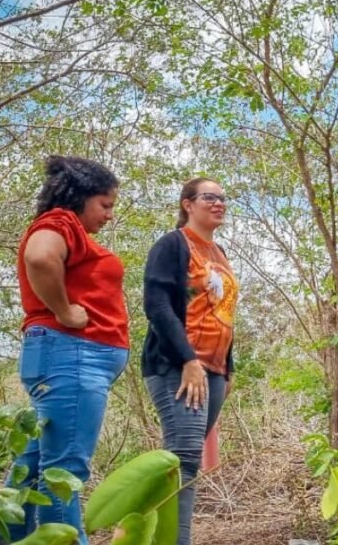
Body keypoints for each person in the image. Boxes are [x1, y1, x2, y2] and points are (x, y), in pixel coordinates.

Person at [6, 155, 129, 545]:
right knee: (64, 469)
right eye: (105, 205)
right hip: (71, 354)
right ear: (80, 197)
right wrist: (64, 311)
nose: (109, 215)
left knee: (33, 463)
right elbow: (40, 256)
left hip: (65, 357)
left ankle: (13, 538)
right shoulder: (61, 223)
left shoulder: (72, 231)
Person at [143, 178, 238, 545]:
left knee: (187, 461)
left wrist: (227, 367)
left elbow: (222, 312)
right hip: (178, 366)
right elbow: (157, 305)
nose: (219, 204)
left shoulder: (219, 252)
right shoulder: (173, 245)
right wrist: (188, 360)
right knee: (181, 457)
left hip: (213, 370)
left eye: (222, 199)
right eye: (209, 197)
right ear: (187, 204)